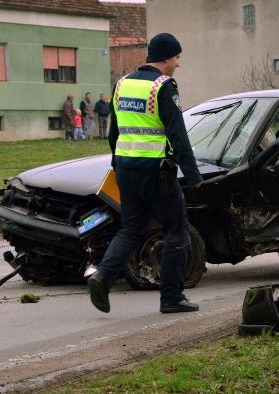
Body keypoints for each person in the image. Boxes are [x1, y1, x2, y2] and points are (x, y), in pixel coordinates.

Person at [87, 32, 203, 314]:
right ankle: (172, 298)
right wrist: (194, 176)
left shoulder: (122, 84)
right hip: (156, 173)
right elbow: (178, 135)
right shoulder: (163, 87)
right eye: (177, 58)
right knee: (176, 232)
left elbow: (115, 133)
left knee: (132, 229)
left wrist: (118, 163)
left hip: (126, 170)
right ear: (165, 58)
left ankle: (103, 276)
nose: (178, 64)